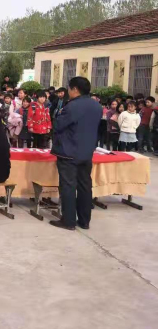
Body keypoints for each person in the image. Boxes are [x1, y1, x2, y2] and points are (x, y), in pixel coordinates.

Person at [50, 76, 102, 231]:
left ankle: (68, 220)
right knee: (85, 186)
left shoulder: (72, 106)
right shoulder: (96, 106)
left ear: (75, 89)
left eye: (69, 89)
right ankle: (84, 221)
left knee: (68, 186)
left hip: (69, 151)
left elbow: (58, 125)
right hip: (86, 152)